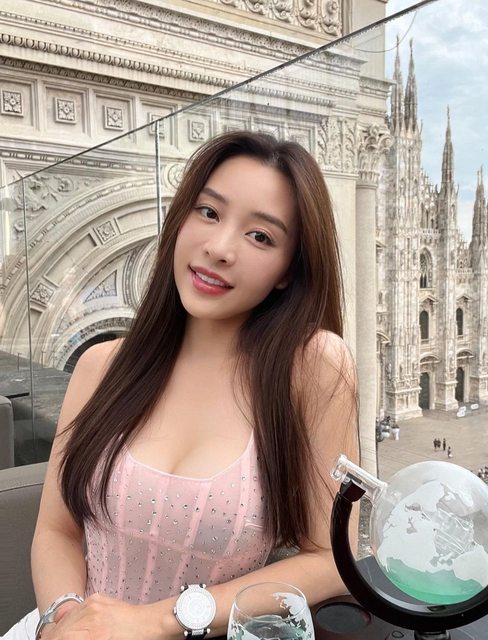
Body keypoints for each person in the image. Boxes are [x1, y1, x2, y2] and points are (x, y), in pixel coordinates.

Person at [4, 132, 359, 639]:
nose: (219, 248)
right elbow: (56, 531)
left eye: (261, 236)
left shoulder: (314, 366)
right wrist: (63, 622)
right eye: (209, 212)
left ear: (288, 269)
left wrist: (155, 621)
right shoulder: (101, 366)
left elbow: (330, 557)